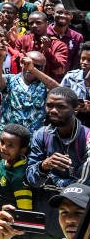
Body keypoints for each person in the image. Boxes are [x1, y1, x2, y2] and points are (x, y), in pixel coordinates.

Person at [27, 87, 90, 237]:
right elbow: (31, 179)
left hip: (75, 219)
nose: (53, 110)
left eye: (61, 107)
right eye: (49, 105)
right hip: (44, 216)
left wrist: (50, 178)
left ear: (75, 109)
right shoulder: (41, 135)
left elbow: (80, 188)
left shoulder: (87, 139)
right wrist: (44, 166)